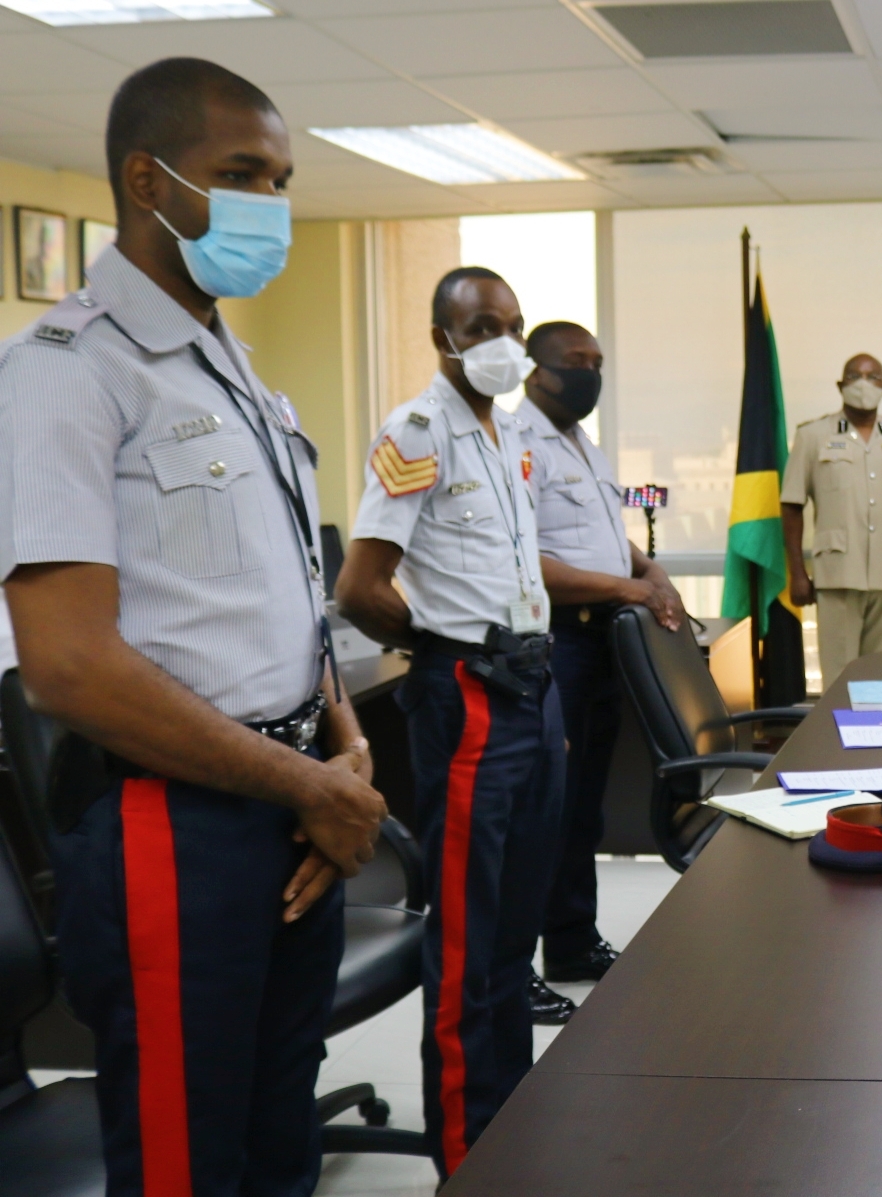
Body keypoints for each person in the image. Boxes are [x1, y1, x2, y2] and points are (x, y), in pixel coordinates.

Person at [0, 58, 386, 1195]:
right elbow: (66, 666)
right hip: (177, 823)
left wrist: (345, 748)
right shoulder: (64, 377)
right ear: (147, 180)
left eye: (280, 177)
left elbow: (282, 605)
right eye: (240, 174)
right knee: (185, 1160)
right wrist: (304, 783)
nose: (271, 202)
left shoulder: (235, 375)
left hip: (287, 801)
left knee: (279, 1143)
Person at [335, 266, 565, 1179]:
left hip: (529, 692)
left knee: (515, 931)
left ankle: (513, 1124)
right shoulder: (417, 431)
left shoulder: (506, 435)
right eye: (481, 327)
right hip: (469, 695)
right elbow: (360, 588)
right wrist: (447, 646)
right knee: (469, 947)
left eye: (513, 323)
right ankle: (469, 1159)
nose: (503, 340)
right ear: (444, 338)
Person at [519, 320, 684, 989]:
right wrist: (630, 586)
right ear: (536, 369)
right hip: (558, 641)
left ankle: (571, 942)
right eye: (575, 361)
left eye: (598, 361)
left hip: (600, 641)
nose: (591, 373)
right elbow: (525, 560)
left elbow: (607, 534)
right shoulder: (518, 443)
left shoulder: (582, 444)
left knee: (583, 804)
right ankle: (523, 958)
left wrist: (652, 570)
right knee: (547, 806)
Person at [782, 353, 882, 686]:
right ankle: (836, 737)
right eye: (854, 375)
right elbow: (791, 505)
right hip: (838, 572)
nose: (863, 383)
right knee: (840, 677)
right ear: (840, 385)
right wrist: (797, 573)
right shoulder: (813, 435)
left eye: (873, 377)